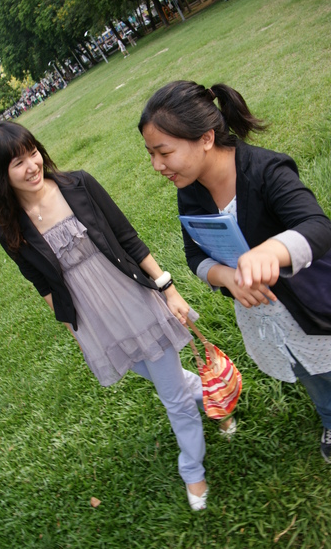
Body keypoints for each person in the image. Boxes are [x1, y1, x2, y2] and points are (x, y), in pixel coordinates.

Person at [0, 120, 232, 511]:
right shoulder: (10, 229)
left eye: (33, 153)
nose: (32, 166)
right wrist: (77, 335)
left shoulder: (78, 184)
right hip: (96, 322)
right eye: (17, 163)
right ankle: (217, 402)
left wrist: (168, 289)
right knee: (167, 379)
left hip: (133, 300)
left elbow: (127, 237)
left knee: (171, 397)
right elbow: (43, 286)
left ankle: (192, 470)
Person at [138, 80, 331, 463]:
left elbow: (318, 227)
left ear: (206, 138)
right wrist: (225, 277)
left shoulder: (265, 170)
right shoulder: (190, 189)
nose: (157, 165)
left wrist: (272, 251)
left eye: (164, 152)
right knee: (307, 370)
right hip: (268, 313)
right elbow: (194, 254)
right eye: (151, 154)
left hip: (314, 300)